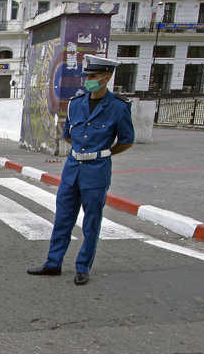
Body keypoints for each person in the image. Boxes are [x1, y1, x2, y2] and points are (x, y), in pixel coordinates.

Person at [27, 55, 134, 285]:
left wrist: (102, 154)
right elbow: (67, 134)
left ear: (107, 77)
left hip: (96, 171)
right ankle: (53, 263)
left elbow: (126, 140)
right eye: (87, 76)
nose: (89, 80)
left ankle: (83, 266)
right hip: (72, 169)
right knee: (63, 219)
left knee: (91, 221)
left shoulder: (118, 108)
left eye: (94, 76)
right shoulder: (77, 103)